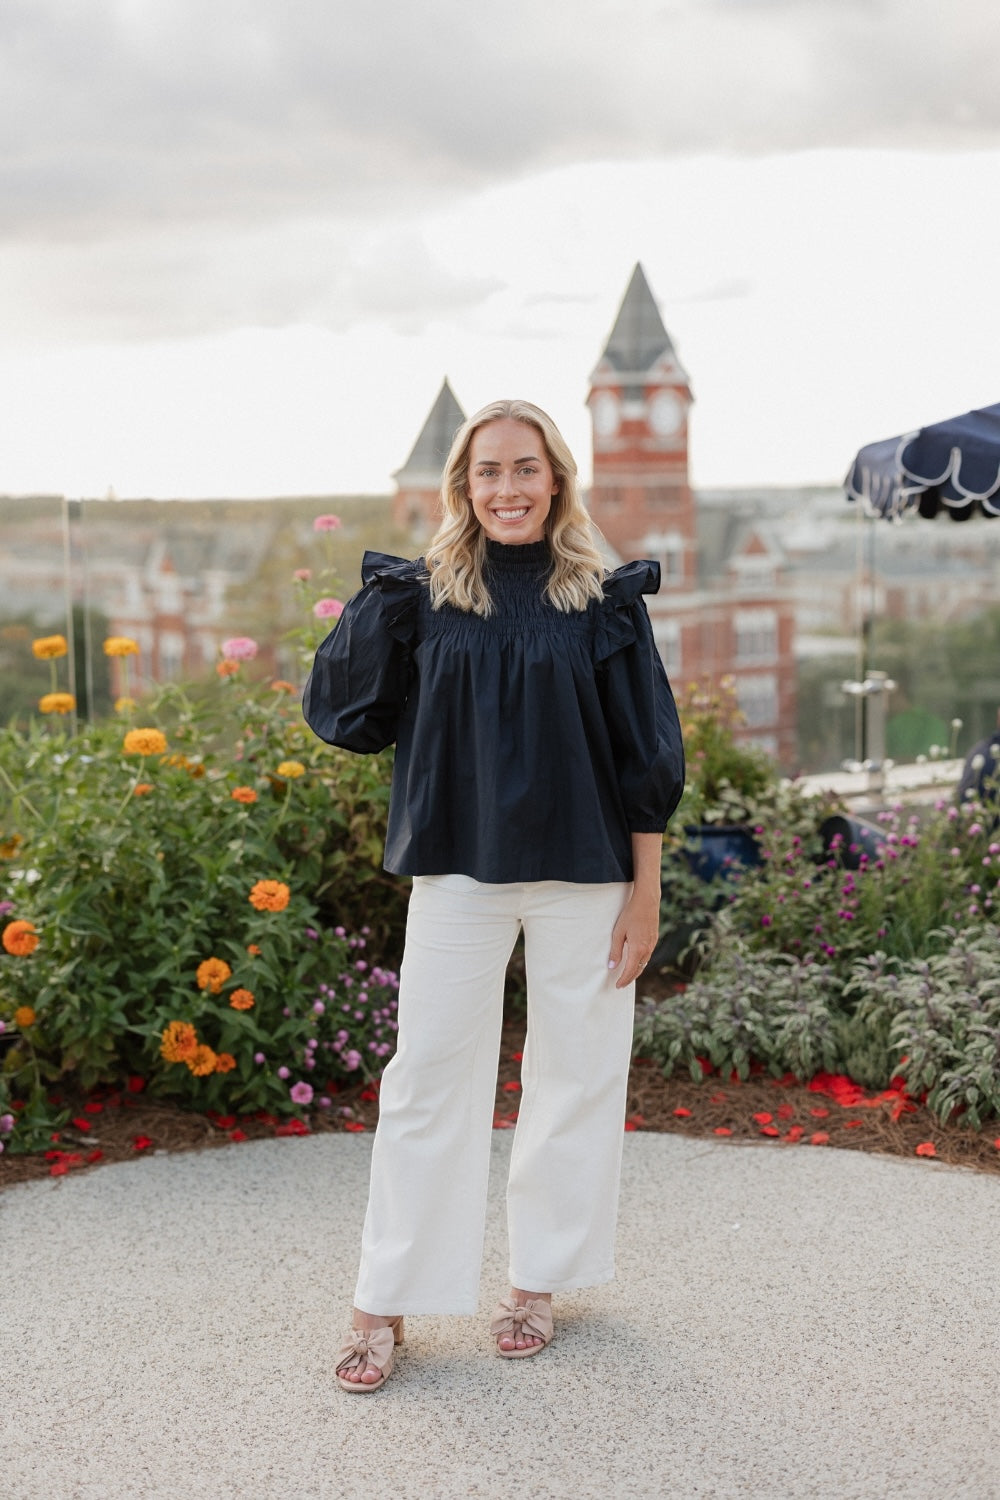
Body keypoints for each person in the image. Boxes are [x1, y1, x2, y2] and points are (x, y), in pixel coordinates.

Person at [303, 398, 684, 1391]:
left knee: (576, 1076)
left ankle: (535, 1282)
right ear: (462, 489)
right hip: (459, 875)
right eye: (488, 473)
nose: (508, 489)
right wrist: (382, 605)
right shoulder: (423, 591)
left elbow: (644, 755)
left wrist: (645, 892)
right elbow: (346, 715)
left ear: (554, 478)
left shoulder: (602, 599)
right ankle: (381, 1301)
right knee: (425, 1080)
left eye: (525, 469)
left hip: (587, 876)